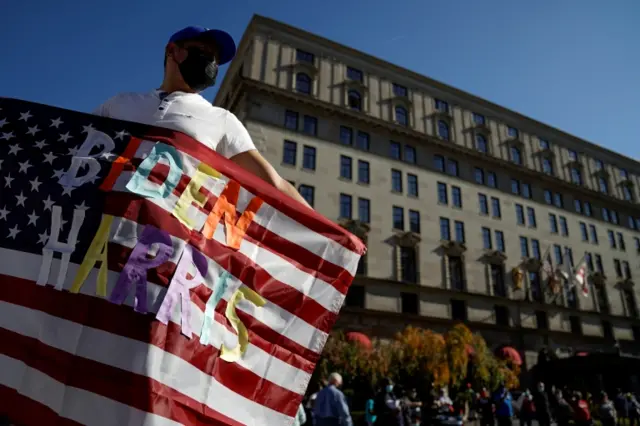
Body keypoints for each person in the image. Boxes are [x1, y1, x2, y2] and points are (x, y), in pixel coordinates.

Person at [93, 25, 311, 208]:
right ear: (172, 51)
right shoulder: (118, 104)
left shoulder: (222, 120)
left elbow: (274, 184)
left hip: (155, 247)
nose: (210, 63)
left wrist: (335, 236)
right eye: (203, 52)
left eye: (215, 59)